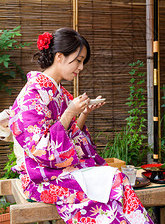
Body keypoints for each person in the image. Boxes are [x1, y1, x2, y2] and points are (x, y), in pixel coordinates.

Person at [9, 28, 153, 224]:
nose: (81, 67)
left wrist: (82, 113)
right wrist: (70, 112)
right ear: (59, 56)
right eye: (78, 60)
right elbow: (42, 150)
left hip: (59, 169)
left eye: (83, 61)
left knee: (115, 180)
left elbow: (71, 135)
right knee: (113, 181)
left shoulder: (59, 92)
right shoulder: (31, 95)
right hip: (41, 178)